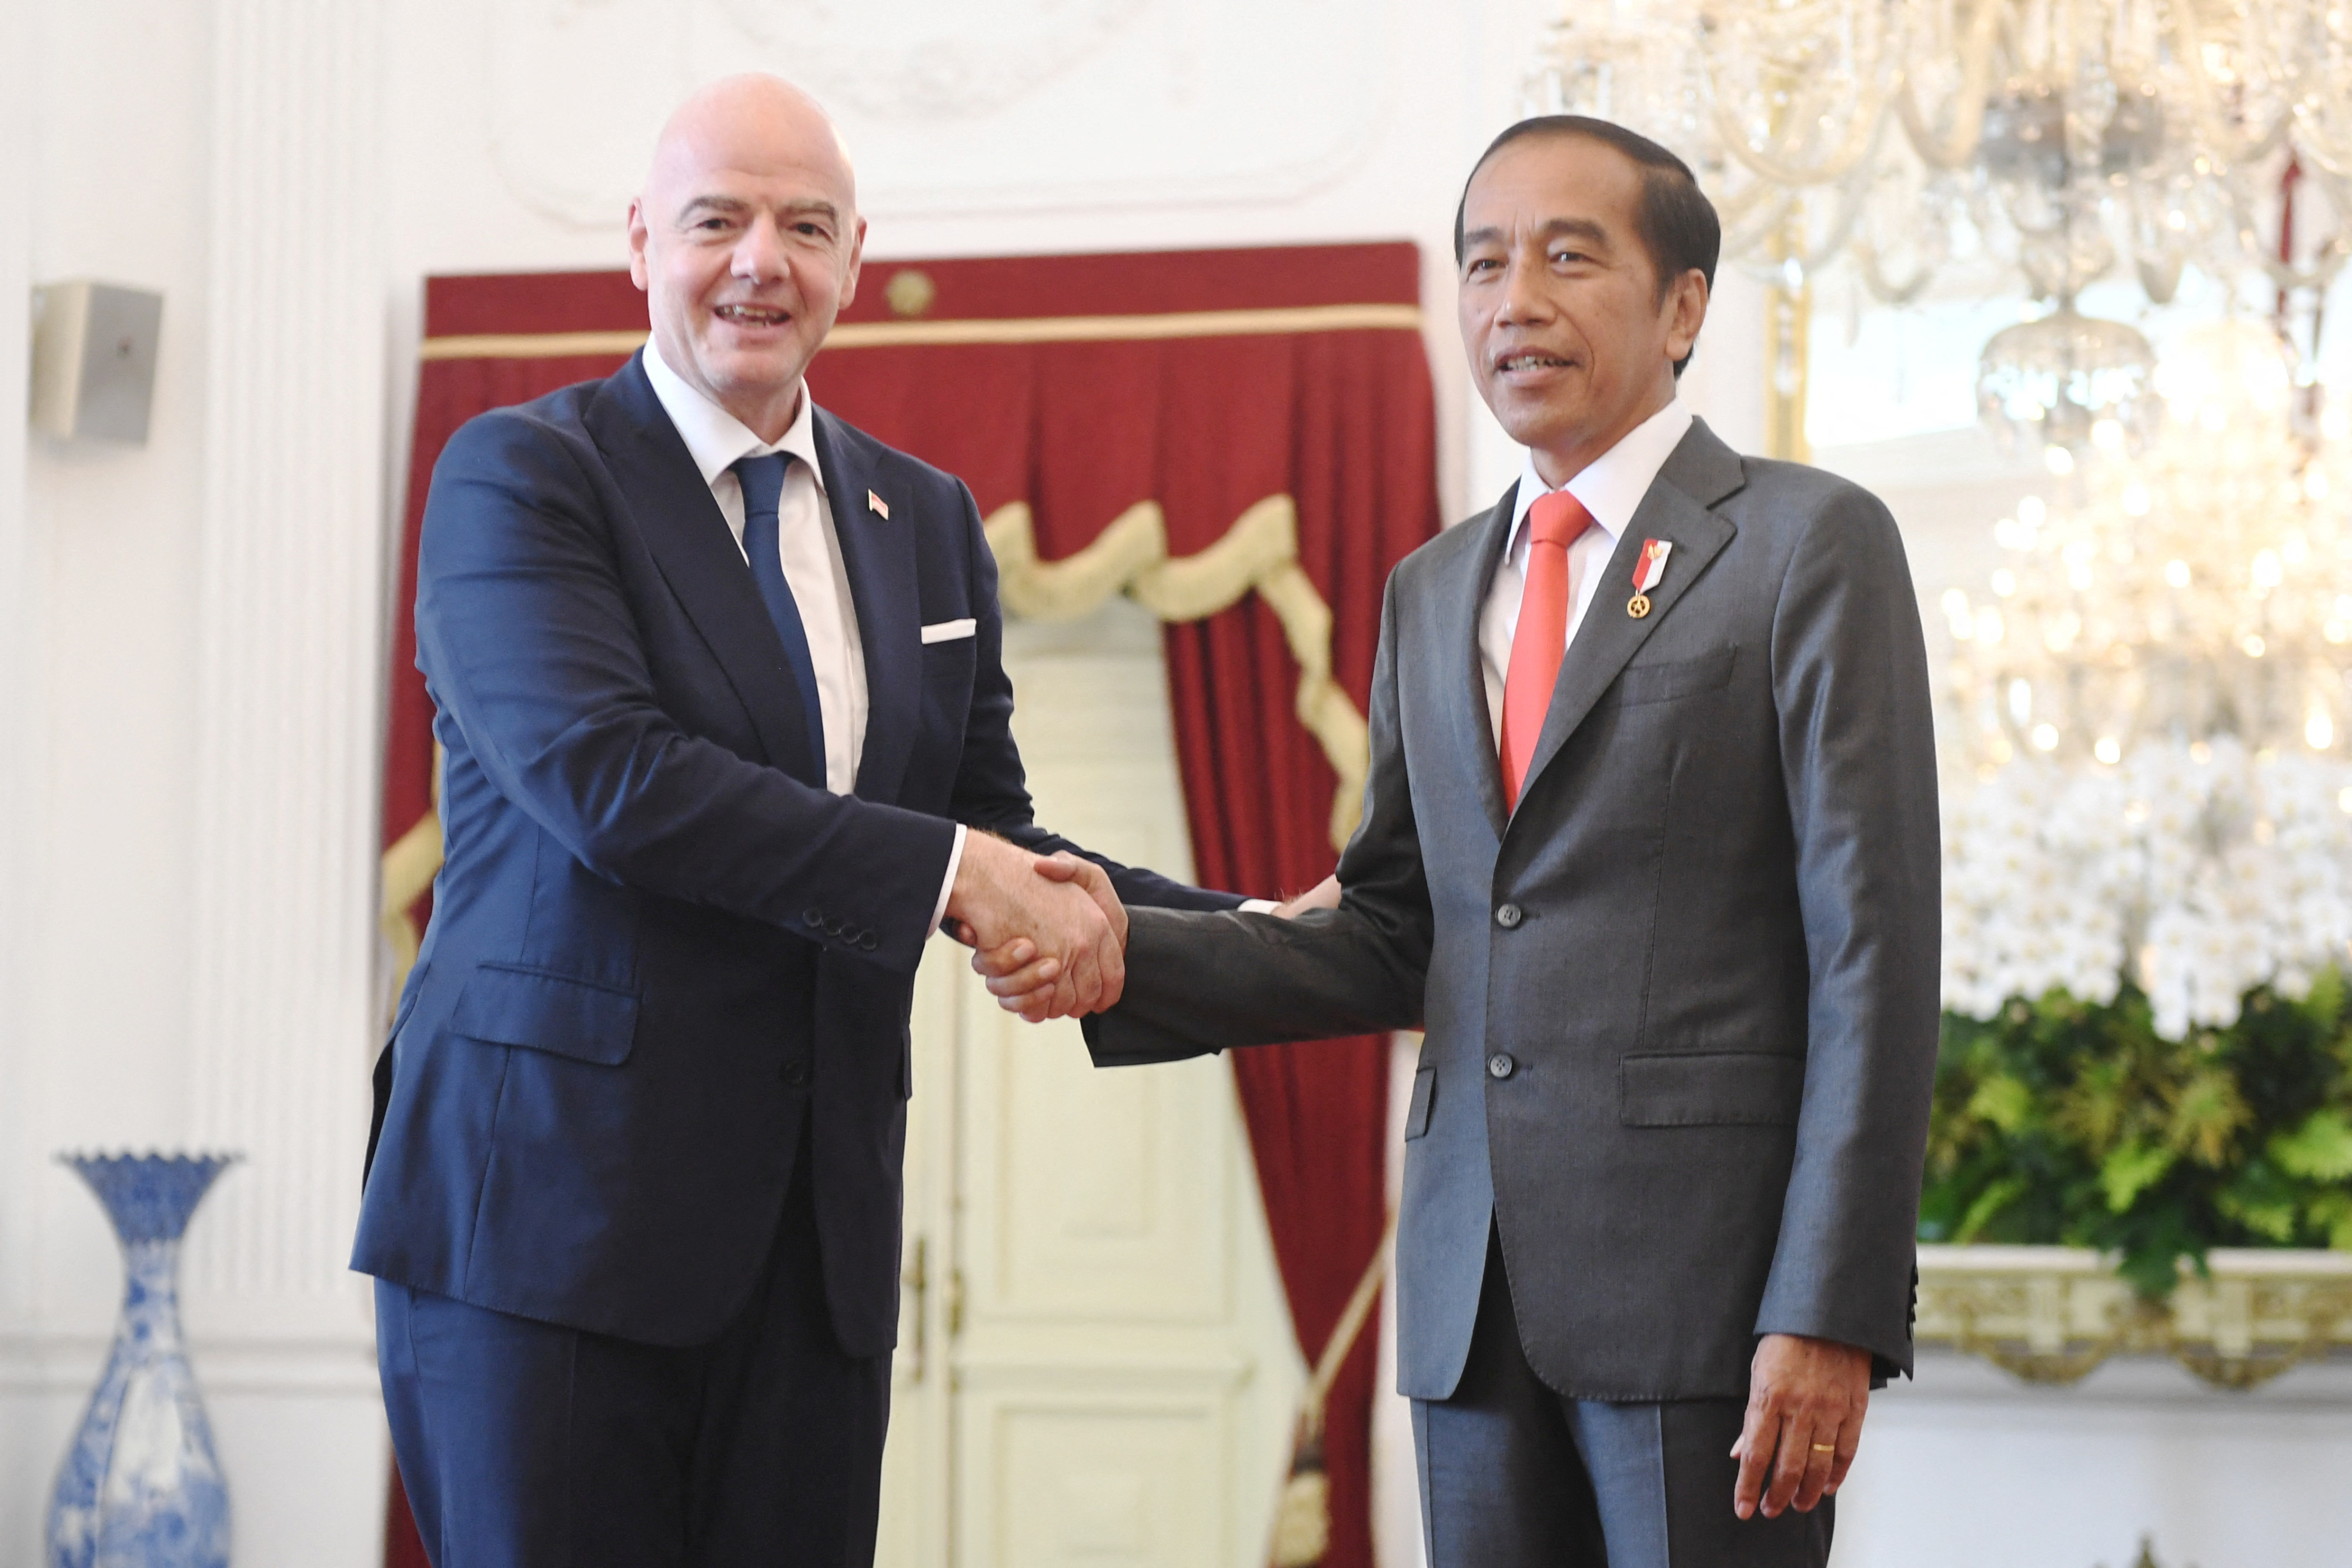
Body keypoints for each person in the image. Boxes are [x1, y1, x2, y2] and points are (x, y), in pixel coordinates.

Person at [981, 115, 1940, 1567]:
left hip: (1710, 1301)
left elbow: (1872, 947)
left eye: (1569, 257)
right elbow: (1395, 929)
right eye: (1481, 263)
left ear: (1683, 305)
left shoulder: (1807, 543)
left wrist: (1828, 1301)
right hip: (1467, 1295)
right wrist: (1125, 947)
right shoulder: (1432, 587)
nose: (1513, 301)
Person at [350, 73, 1254, 1567]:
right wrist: (960, 872)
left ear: (850, 258)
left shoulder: (928, 519)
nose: (760, 259)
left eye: (804, 225)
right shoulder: (521, 473)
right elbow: (612, 782)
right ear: (642, 243)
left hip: (815, 1249)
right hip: (546, 1233)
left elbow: (989, 830)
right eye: (718, 220)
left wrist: (1282, 935)